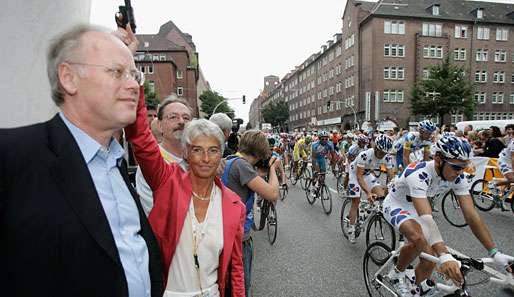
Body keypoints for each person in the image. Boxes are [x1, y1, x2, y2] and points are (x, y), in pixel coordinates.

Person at [0, 24, 163, 297]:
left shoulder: (116, 165)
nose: (134, 84)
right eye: (117, 72)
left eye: (135, 75)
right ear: (69, 77)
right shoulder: (12, 156)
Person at [126, 89, 246, 296]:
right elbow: (141, 140)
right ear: (185, 153)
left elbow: (235, 268)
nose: (206, 158)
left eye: (213, 150)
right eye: (197, 150)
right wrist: (135, 85)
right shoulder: (167, 182)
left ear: (221, 155)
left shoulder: (234, 204)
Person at [382, 136, 514, 296]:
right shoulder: (418, 173)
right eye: (456, 168)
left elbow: (471, 215)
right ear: (438, 159)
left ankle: (413, 290)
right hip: (397, 204)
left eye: (464, 167)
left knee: (429, 260)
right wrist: (444, 255)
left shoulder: (458, 176)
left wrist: (494, 252)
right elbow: (426, 217)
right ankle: (396, 274)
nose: (460, 173)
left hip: (418, 207)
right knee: (419, 239)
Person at [221, 130, 280, 297]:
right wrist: (273, 169)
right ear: (261, 151)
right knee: (240, 286)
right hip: (239, 238)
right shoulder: (242, 166)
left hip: (226, 232)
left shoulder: (231, 161)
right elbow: (272, 194)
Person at [136, 97, 191, 215]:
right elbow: (155, 214)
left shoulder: (199, 160)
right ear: (160, 125)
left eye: (186, 118)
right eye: (173, 117)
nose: (181, 122)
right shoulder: (151, 165)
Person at [346, 134, 395, 243]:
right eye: (381, 152)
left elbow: (391, 176)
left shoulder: (387, 157)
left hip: (367, 174)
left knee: (381, 195)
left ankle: (366, 209)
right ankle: (351, 229)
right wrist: (368, 193)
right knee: (356, 201)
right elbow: (359, 177)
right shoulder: (364, 155)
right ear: (375, 147)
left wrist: (391, 190)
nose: (382, 155)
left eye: (385, 153)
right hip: (355, 174)